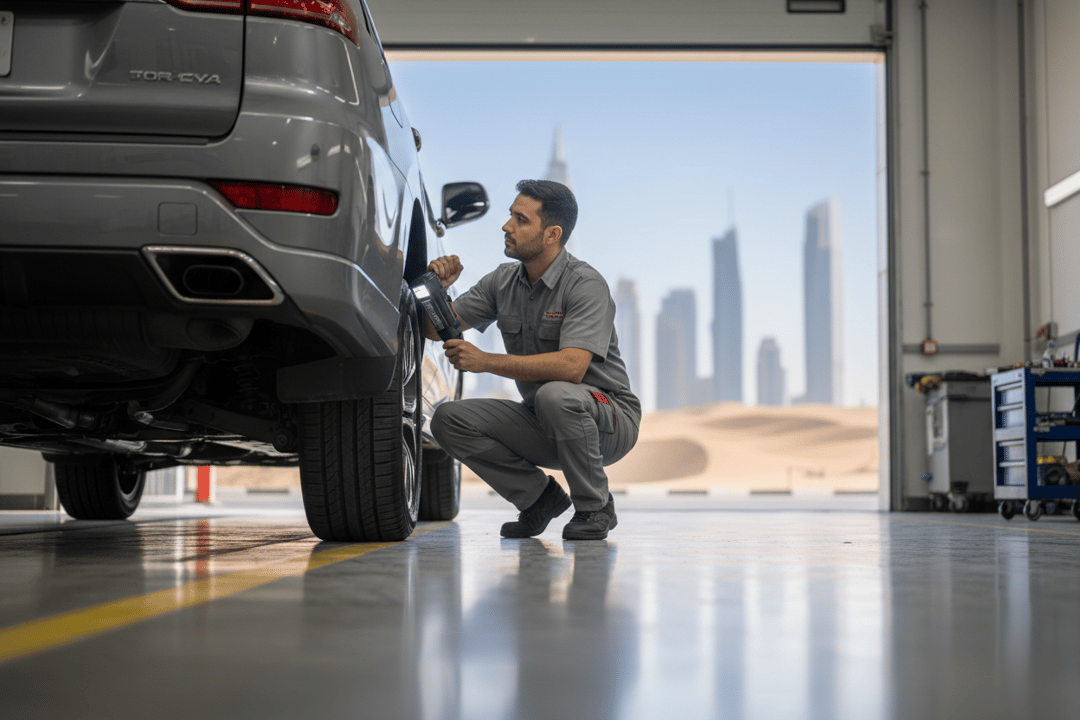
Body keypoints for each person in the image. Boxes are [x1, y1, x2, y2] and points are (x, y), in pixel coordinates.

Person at [426, 179, 641, 540]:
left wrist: (486, 361)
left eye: (521, 220)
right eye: (510, 216)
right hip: (545, 417)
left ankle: (595, 506)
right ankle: (538, 499)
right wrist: (437, 289)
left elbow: (572, 368)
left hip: (609, 420)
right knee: (448, 419)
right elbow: (434, 330)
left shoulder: (585, 285)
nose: (507, 226)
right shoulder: (502, 281)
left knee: (555, 393)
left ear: (552, 234)